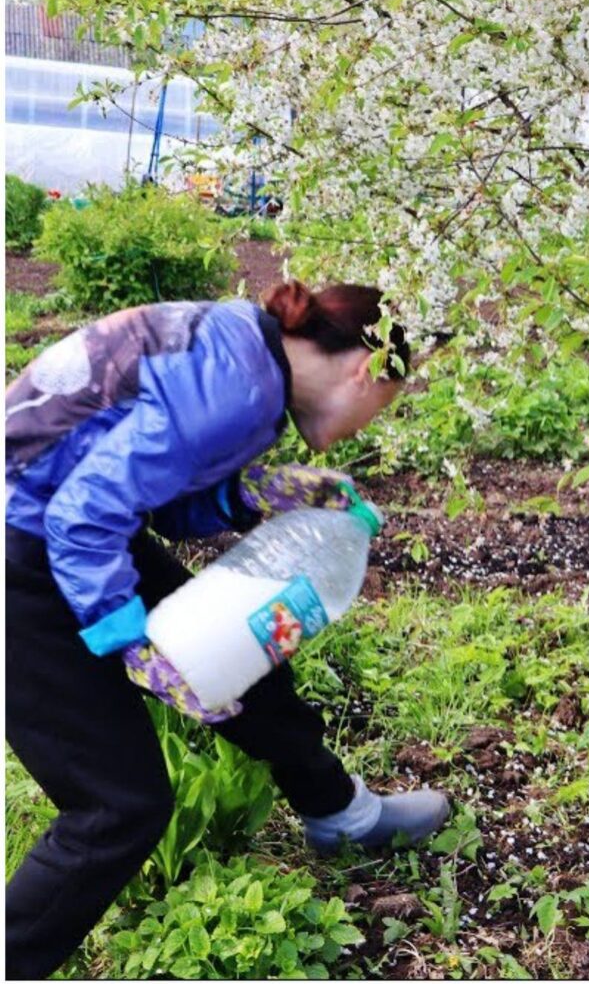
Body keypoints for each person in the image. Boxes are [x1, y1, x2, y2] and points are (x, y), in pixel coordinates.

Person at [5, 281, 452, 977]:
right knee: (117, 805)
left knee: (242, 662)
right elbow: (80, 520)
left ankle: (340, 814)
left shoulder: (246, 358)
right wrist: (136, 647)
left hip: (57, 531)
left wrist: (263, 492)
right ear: (367, 371)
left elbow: (157, 493)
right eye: (383, 405)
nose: (370, 423)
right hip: (23, 554)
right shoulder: (240, 386)